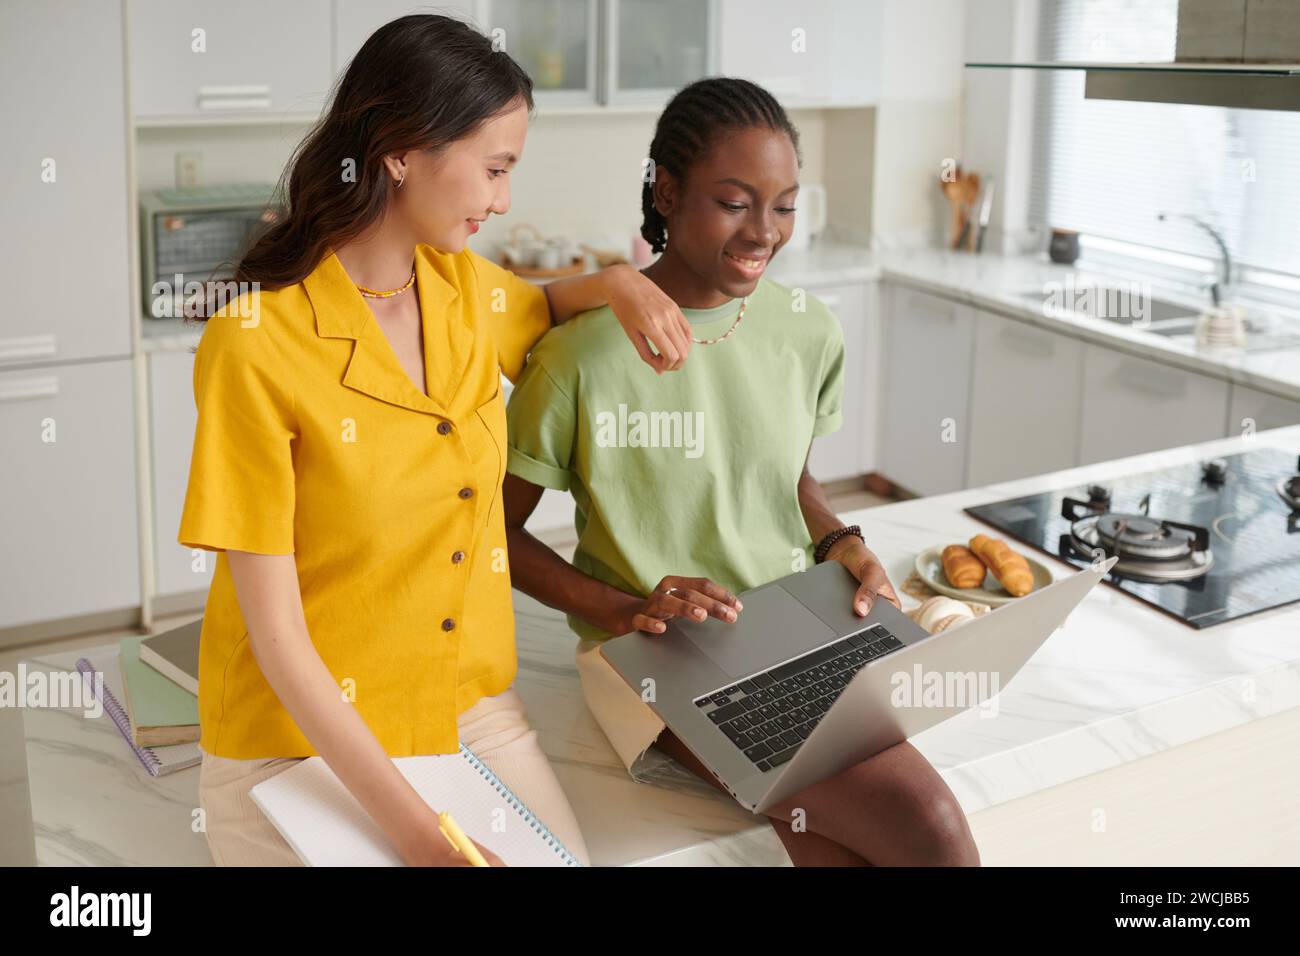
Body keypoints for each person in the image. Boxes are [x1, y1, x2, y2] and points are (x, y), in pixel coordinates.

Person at [180, 14, 695, 867]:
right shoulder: (253, 343)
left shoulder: (460, 288)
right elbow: (276, 641)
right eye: (495, 169)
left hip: (462, 708)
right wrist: (425, 840)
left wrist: (619, 281)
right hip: (292, 740)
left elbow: (545, 304)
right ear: (400, 151)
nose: (503, 199)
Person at [502, 77, 980, 866]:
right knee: (924, 816)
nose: (764, 231)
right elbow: (494, 533)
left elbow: (787, 479)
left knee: (835, 849)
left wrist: (840, 544)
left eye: (784, 205)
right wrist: (626, 612)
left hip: (792, 626)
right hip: (652, 657)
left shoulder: (807, 330)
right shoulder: (576, 358)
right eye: (734, 202)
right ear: (667, 190)